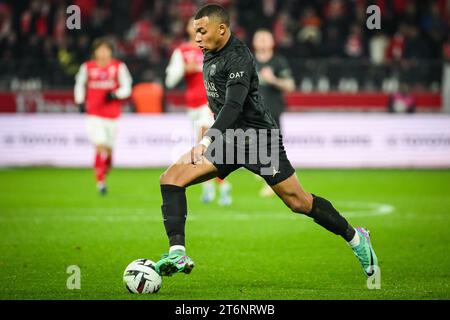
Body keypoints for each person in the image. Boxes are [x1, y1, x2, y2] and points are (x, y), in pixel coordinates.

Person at [154, 4, 378, 281]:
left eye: (202, 31)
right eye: (194, 31)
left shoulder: (238, 58)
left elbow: (233, 105)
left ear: (221, 29)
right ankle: (177, 253)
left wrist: (205, 141)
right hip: (229, 139)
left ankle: (356, 238)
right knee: (171, 178)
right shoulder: (209, 53)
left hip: (258, 139)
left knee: (298, 202)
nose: (196, 37)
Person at [165, 17, 232, 206]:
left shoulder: (214, 48)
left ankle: (215, 187)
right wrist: (185, 69)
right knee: (206, 146)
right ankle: (218, 185)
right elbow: (170, 80)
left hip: (209, 103)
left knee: (204, 143)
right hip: (192, 105)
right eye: (192, 25)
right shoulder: (182, 51)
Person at [74, 38, 132, 195]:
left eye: (106, 49)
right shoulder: (87, 67)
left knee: (109, 153)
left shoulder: (118, 67)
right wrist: (79, 101)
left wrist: (115, 94)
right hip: (94, 114)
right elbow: (79, 84)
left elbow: (127, 86)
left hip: (113, 116)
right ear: (95, 52)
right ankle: (100, 183)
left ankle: (103, 173)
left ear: (111, 52)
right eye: (100, 49)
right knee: (99, 146)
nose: (103, 53)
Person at [252, 29, 295, 197]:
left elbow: (290, 85)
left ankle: (271, 182)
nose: (262, 41)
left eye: (265, 38)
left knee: (271, 148)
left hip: (272, 112)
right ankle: (264, 173)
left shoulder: (278, 62)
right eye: (259, 38)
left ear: (272, 43)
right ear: (254, 43)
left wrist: (273, 80)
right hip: (251, 112)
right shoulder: (247, 61)